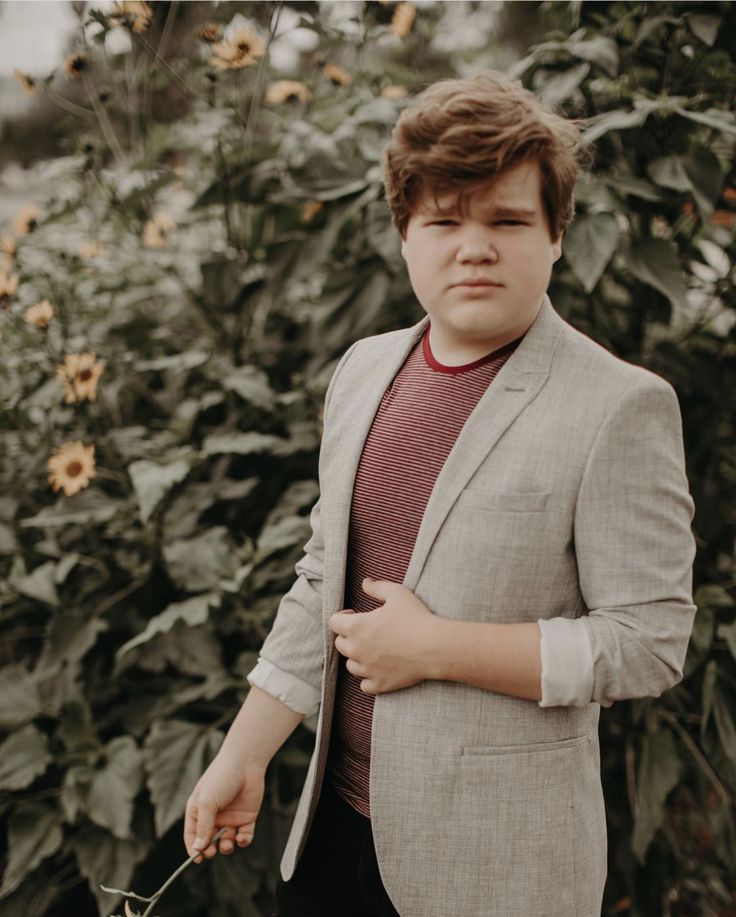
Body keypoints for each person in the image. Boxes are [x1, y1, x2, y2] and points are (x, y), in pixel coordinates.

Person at [183, 71, 697, 917]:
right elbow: (324, 579)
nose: (475, 247)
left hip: (494, 868)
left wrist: (437, 648)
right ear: (405, 235)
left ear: (556, 232)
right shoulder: (363, 370)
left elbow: (648, 641)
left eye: (507, 220)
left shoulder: (618, 405)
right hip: (335, 839)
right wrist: (245, 752)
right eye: (444, 221)